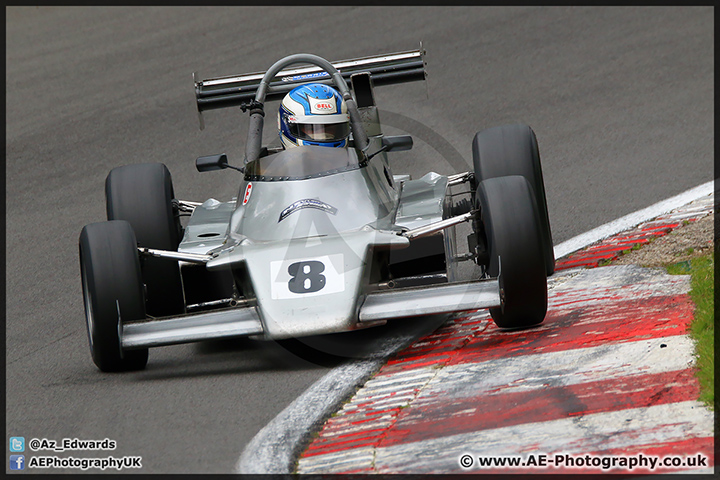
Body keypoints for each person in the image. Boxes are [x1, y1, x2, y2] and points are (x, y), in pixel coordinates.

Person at [278, 83, 351, 149]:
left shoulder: (354, 159)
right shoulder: (274, 163)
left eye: (329, 128)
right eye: (313, 129)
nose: (323, 136)